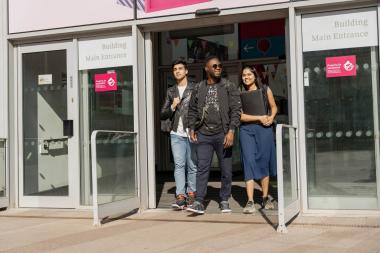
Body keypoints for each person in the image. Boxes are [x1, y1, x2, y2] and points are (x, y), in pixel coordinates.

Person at [187, 56, 241, 214]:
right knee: (202, 168)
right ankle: (199, 201)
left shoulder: (228, 86)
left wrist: (231, 131)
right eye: (214, 66)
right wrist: (192, 127)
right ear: (206, 68)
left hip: (223, 134)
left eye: (220, 65)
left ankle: (224, 199)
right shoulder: (198, 87)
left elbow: (236, 111)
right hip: (203, 134)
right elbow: (192, 110)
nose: (218, 68)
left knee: (226, 170)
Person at [239, 66, 277, 214]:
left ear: (255, 76)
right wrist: (259, 117)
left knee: (263, 160)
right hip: (246, 130)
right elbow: (240, 116)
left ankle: (265, 197)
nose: (246, 77)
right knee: (248, 161)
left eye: (249, 74)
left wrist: (271, 118)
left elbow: (274, 107)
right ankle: (250, 201)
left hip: (264, 130)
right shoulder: (239, 93)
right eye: (243, 75)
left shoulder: (265, 89)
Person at [160, 59, 197, 210]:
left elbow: (200, 110)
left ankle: (192, 193)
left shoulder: (195, 88)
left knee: (193, 165)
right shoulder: (171, 91)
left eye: (180, 68)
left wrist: (197, 128)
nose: (177, 71)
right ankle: (180, 195)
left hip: (191, 131)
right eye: (175, 69)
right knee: (179, 165)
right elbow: (163, 114)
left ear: (186, 71)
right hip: (176, 133)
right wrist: (173, 106)